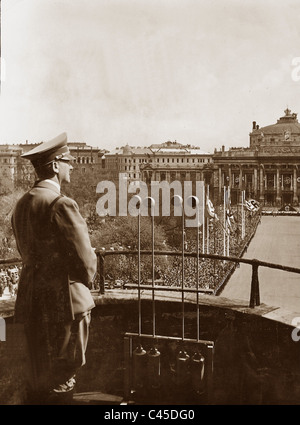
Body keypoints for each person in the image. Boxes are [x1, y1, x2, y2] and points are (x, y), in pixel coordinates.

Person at [11, 132, 97, 404]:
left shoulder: (22, 204)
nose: (72, 166)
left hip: (32, 302)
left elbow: (26, 253)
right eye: (68, 161)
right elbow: (86, 263)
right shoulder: (61, 204)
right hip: (64, 307)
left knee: (38, 379)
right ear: (56, 165)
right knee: (63, 380)